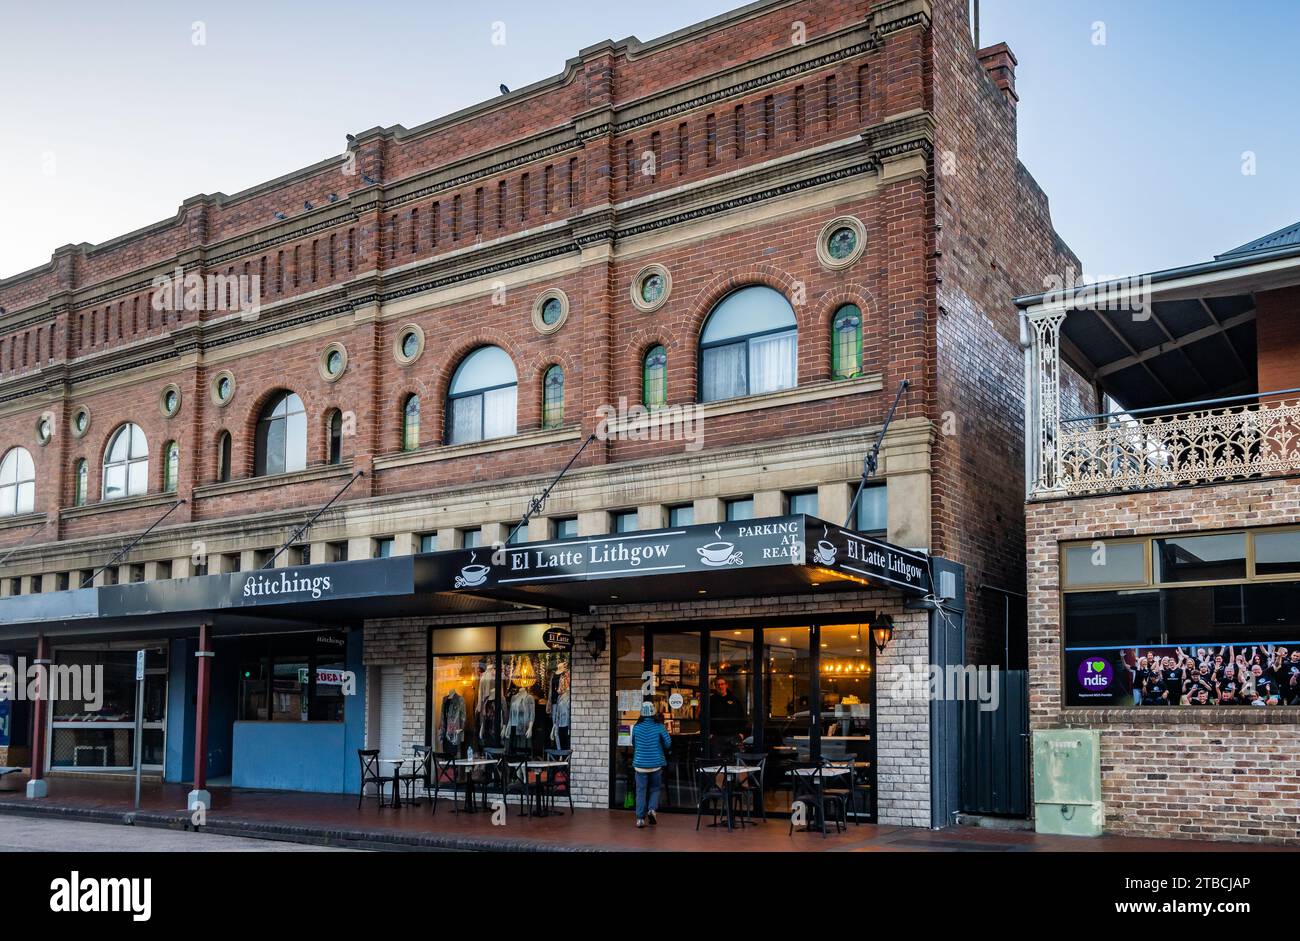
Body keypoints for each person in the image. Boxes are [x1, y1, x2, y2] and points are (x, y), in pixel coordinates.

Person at [631, 700, 671, 829]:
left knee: (641, 791)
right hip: (655, 764)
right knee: (655, 789)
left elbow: (634, 744)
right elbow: (668, 743)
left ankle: (640, 819)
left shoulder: (636, 727)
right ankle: (652, 810)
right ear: (654, 712)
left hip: (640, 764)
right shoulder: (659, 726)